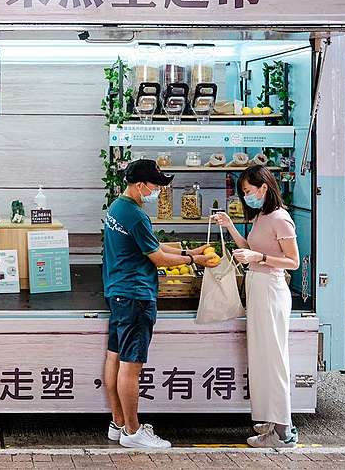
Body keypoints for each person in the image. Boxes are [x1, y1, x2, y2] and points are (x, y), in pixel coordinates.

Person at [103, 159, 217, 449]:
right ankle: (133, 431)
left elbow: (152, 244)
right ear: (141, 184)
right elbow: (158, 258)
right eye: (155, 186)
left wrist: (187, 249)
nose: (157, 191)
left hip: (117, 292)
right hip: (136, 295)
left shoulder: (118, 208)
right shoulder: (136, 214)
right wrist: (195, 260)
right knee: (131, 365)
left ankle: (118, 424)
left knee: (114, 357)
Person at [213, 165, 301, 449]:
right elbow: (247, 249)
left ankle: (283, 431)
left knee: (274, 358)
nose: (247, 197)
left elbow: (293, 262)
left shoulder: (281, 218)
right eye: (243, 193)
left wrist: (259, 256)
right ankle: (271, 420)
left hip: (271, 289)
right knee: (262, 357)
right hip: (257, 285)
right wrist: (229, 226)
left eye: (249, 192)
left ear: (264, 188)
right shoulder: (261, 216)